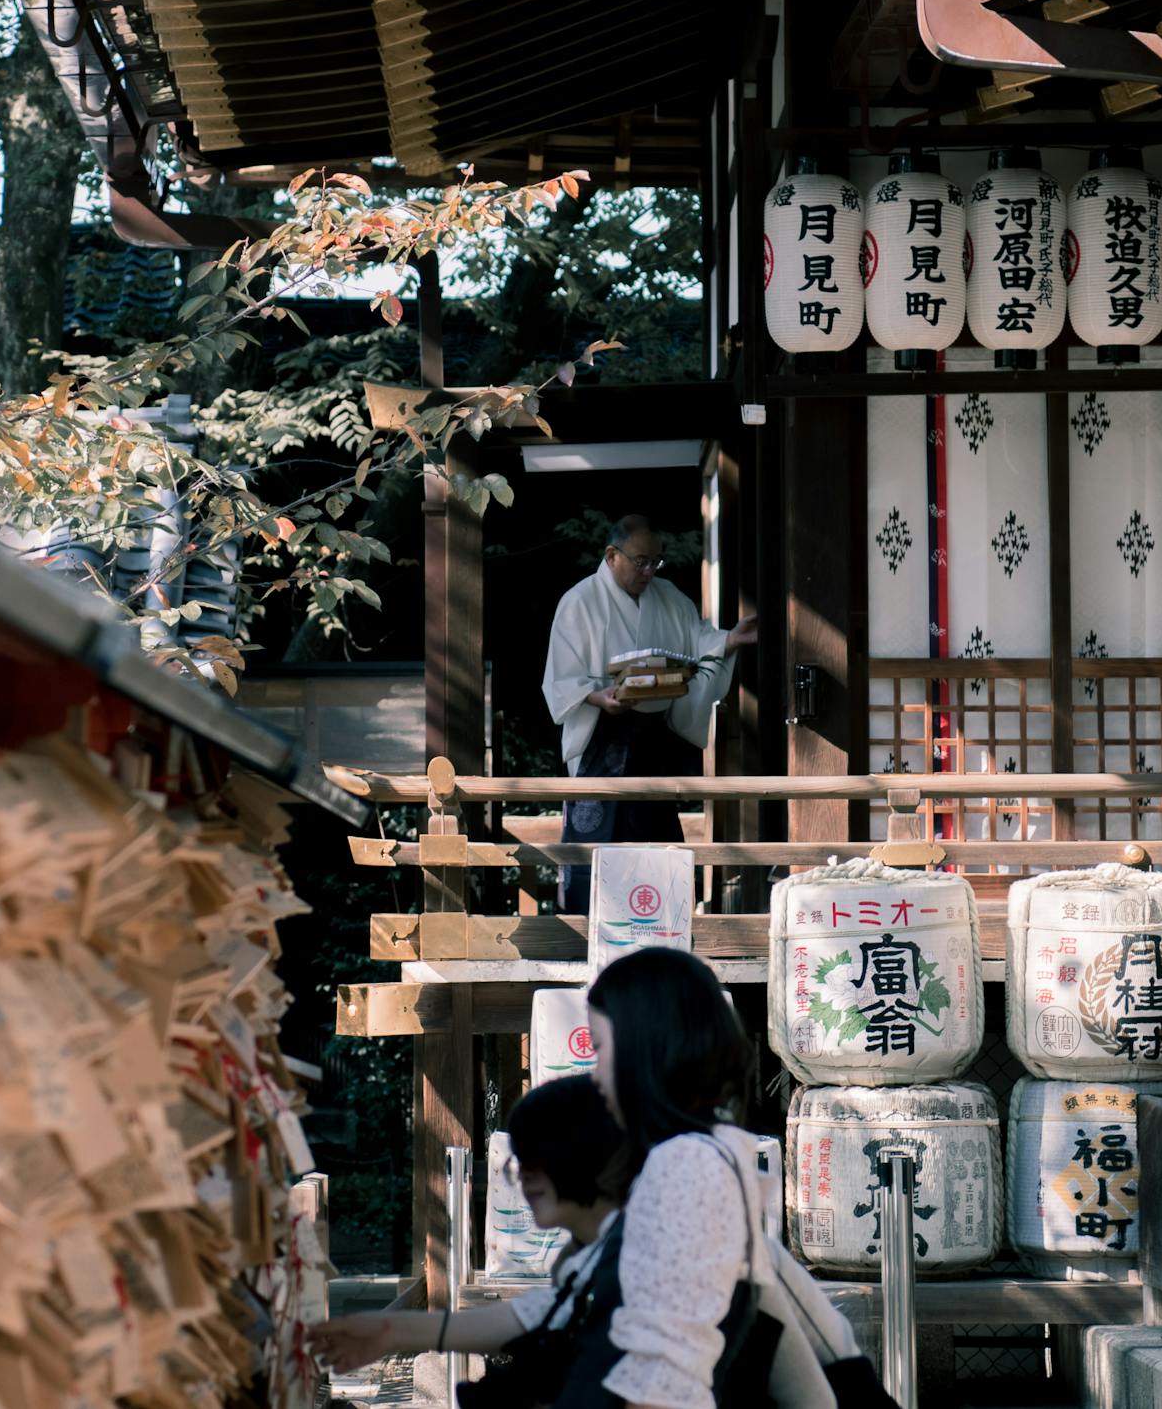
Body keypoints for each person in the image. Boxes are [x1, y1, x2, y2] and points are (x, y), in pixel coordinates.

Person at [571, 950, 880, 1409]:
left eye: (598, 1049)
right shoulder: (707, 1154)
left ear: (644, 1049)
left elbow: (670, 1375)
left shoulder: (683, 1166)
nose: (593, 1074)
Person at [307, 1076, 623, 1378]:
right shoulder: (584, 1256)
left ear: (589, 1153)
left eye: (539, 1157)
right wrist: (391, 1331)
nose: (524, 1176)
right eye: (520, 1161)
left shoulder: (633, 1254)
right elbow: (531, 1316)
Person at [542, 516, 757, 909]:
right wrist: (599, 697)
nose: (649, 571)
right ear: (612, 556)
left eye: (655, 562)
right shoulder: (579, 601)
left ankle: (659, 932)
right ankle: (579, 937)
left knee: (657, 840)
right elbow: (561, 677)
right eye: (640, 561)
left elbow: (697, 639)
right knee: (595, 841)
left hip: (653, 740)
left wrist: (729, 639)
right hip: (601, 738)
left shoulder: (668, 596)